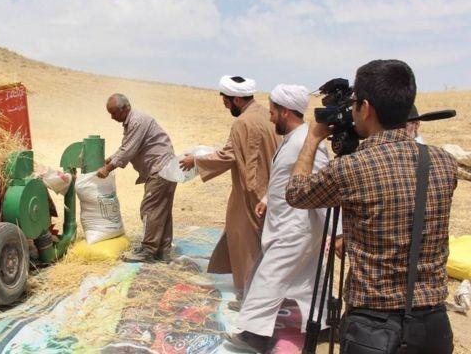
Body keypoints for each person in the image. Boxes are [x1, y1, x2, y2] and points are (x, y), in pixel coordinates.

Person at [286, 59, 457, 353]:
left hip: (375, 330)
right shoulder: (444, 163)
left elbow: (296, 193)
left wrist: (314, 138)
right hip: (433, 327)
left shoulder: (353, 169)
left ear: (365, 108)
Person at [223, 84, 336, 352]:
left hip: (295, 228)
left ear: (285, 112)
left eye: (273, 111)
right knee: (311, 280)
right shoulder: (294, 139)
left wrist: (337, 231)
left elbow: (322, 186)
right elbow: (284, 179)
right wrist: (266, 200)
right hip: (291, 224)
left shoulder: (306, 143)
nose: (270, 116)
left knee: (268, 278)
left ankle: (254, 334)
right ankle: (322, 327)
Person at [179, 75, 279, 305]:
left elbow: (230, 155)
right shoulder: (265, 114)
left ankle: (250, 298)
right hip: (270, 187)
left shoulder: (244, 122)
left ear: (235, 99)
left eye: (225, 101)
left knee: (247, 242)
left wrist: (195, 161)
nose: (224, 106)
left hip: (252, 191)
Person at [97, 93, 177, 263]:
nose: (112, 118)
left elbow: (128, 150)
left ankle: (148, 250)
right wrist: (111, 158)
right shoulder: (132, 121)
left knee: (150, 208)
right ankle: (163, 250)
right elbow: (127, 147)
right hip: (166, 168)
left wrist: (107, 168)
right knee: (161, 211)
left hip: (160, 169)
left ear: (125, 108)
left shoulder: (137, 121)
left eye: (114, 113)